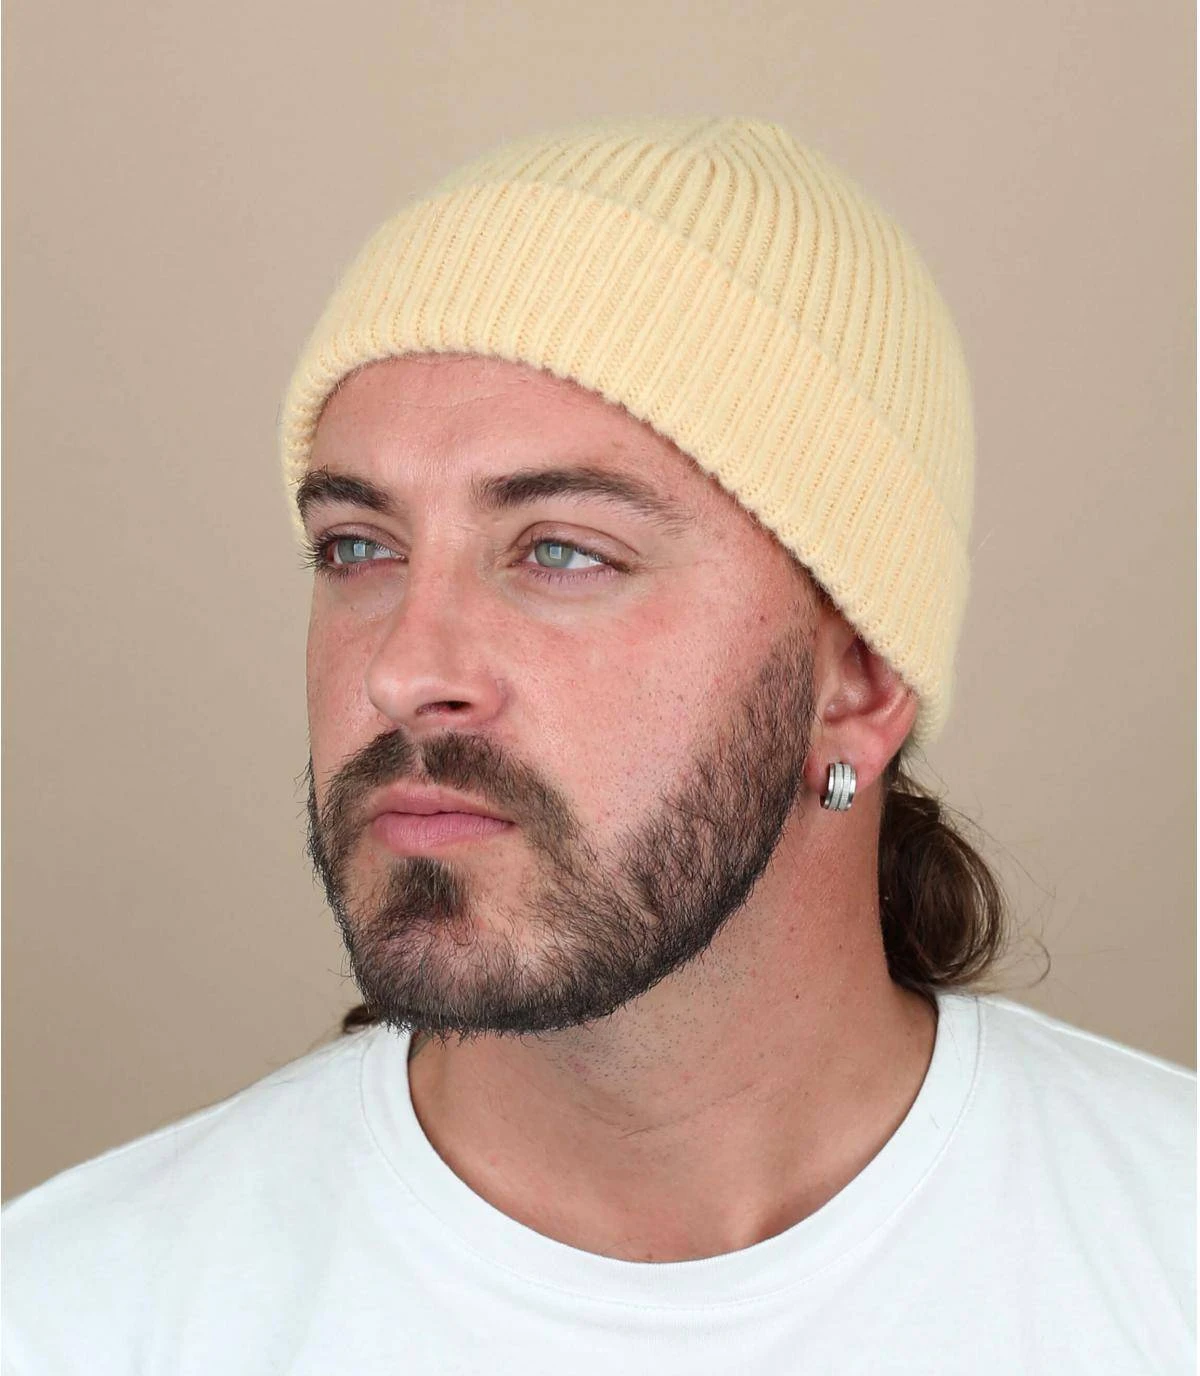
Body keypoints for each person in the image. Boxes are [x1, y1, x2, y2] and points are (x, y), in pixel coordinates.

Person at [3, 115, 1193, 1374]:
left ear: (857, 677)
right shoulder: (72, 1313)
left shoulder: (1165, 1255)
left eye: (563, 551)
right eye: (358, 546)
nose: (404, 670)